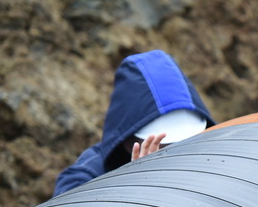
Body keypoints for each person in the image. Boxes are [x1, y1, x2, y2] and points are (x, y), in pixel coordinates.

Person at [53, 49, 215, 196]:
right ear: (129, 142)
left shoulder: (214, 158)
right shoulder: (83, 180)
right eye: (165, 147)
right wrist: (137, 187)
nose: (179, 156)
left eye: (188, 142)